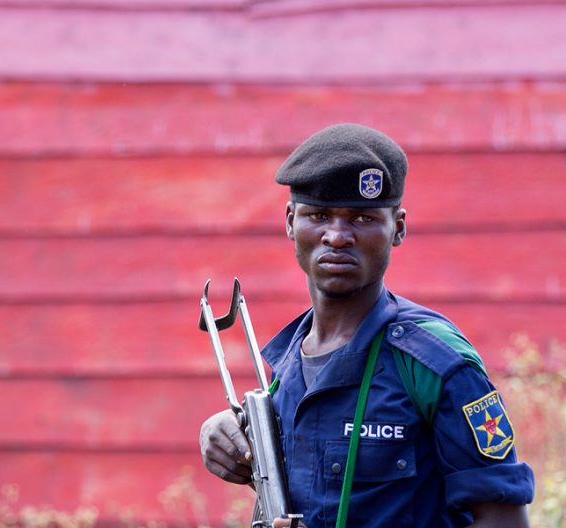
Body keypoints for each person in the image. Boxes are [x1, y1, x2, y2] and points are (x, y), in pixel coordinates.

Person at [199, 124, 534, 528]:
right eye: (319, 215)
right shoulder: (286, 365)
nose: (337, 236)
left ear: (399, 227)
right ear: (291, 222)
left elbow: (504, 520)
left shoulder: (435, 364)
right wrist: (221, 432)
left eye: (362, 217)